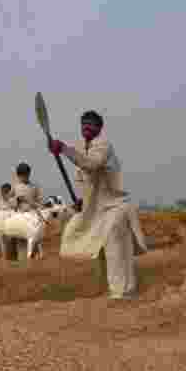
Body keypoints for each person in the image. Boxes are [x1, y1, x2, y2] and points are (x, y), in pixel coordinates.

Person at [48, 110, 149, 300]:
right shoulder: (82, 149)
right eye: (83, 123)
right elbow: (87, 183)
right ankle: (110, 289)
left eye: (91, 124)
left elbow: (91, 165)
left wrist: (64, 149)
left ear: (99, 128)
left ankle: (123, 292)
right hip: (96, 210)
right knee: (94, 245)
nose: (86, 126)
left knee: (115, 246)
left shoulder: (103, 145)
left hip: (115, 207)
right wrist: (81, 202)